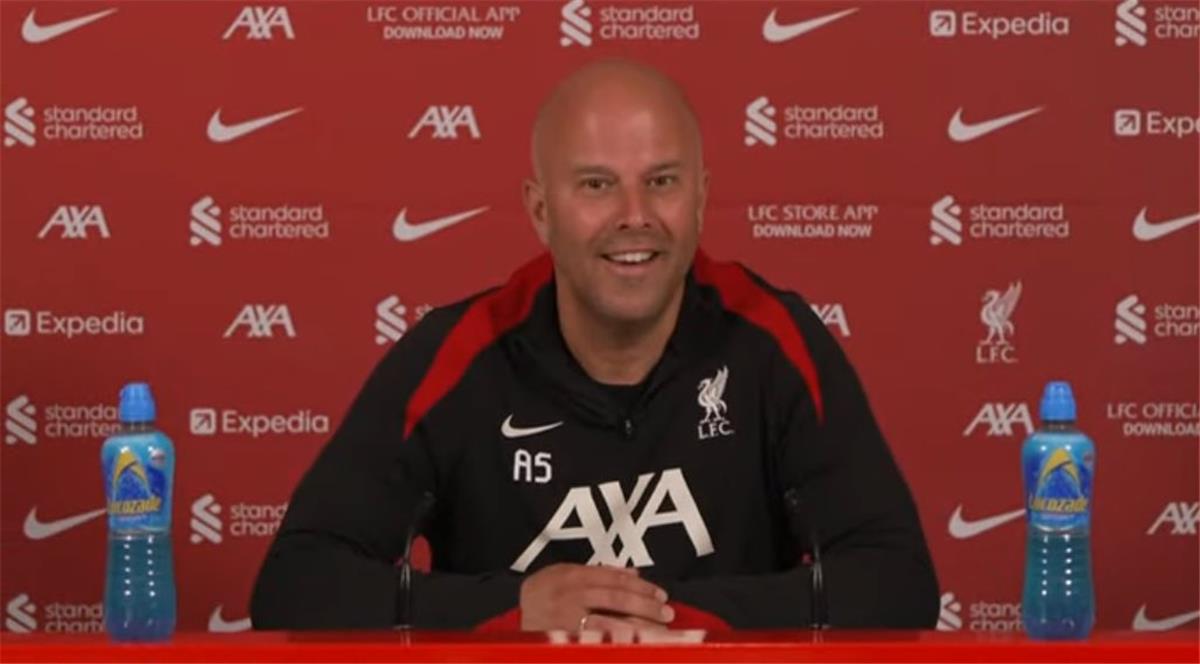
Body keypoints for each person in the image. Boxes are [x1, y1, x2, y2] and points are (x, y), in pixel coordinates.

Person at [250, 59, 939, 632]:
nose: (634, 216)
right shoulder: (457, 354)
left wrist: (669, 617)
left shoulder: (773, 338)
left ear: (701, 199)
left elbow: (898, 580)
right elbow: (295, 583)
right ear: (540, 210)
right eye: (596, 185)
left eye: (661, 182)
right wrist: (517, 608)